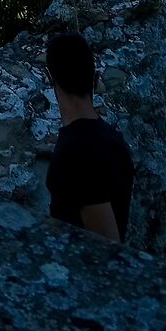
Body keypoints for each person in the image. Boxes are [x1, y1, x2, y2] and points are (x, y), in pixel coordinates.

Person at [44, 31, 132, 242]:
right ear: (95, 79)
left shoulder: (75, 154)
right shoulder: (114, 139)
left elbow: (105, 245)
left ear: (50, 78)